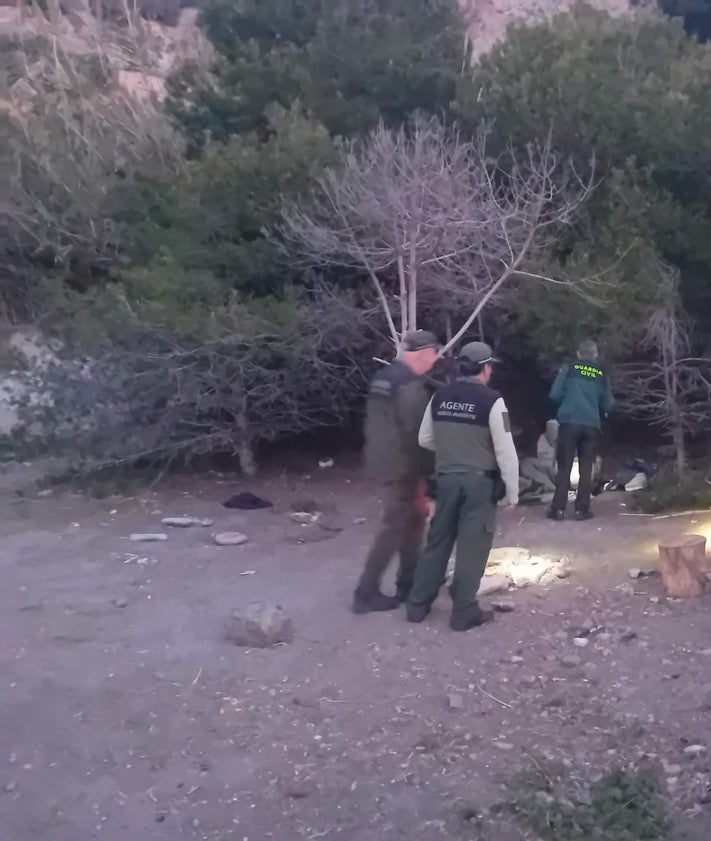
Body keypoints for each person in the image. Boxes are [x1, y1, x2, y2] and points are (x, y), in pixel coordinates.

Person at [406, 341, 519, 631]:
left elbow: (424, 439)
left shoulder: (440, 397)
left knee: (437, 541)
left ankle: (418, 604)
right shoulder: (494, 401)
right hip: (478, 483)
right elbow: (506, 450)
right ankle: (464, 611)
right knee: (473, 545)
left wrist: (451, 450)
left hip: (445, 480)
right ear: (485, 369)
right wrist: (512, 490)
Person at [352, 329, 440, 614]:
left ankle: (409, 582)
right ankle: (365, 592)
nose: (436, 360)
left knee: (413, 522)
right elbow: (418, 434)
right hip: (402, 466)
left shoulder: (384, 378)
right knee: (392, 527)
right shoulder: (409, 385)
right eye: (434, 353)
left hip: (383, 460)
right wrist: (427, 475)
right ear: (424, 353)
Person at [547, 339, 614, 521]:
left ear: (578, 353)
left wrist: (566, 402)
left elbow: (554, 394)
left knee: (564, 466)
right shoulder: (600, 373)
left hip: (569, 422)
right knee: (586, 468)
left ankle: (558, 509)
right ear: (595, 355)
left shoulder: (568, 368)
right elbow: (608, 403)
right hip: (591, 424)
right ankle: (582, 510)